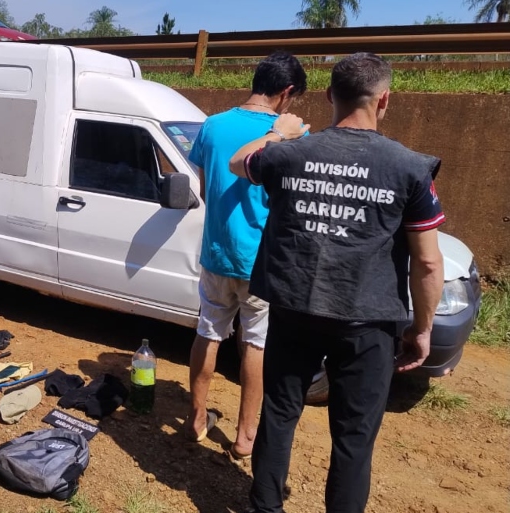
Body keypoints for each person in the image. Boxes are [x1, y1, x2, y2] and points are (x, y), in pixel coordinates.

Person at [228, 52, 445, 513]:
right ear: (384, 100)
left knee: (279, 413)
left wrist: (277, 132)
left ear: (329, 95)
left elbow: (239, 161)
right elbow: (427, 262)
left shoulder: (286, 155)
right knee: (354, 435)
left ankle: (264, 507)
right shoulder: (409, 168)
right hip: (367, 321)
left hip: (294, 310)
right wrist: (422, 328)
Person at [185, 51, 307, 462]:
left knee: (208, 332)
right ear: (286, 93)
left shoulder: (213, 125)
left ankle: (196, 419)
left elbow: (205, 188)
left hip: (216, 252)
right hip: (261, 260)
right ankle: (245, 436)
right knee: (255, 343)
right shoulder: (293, 136)